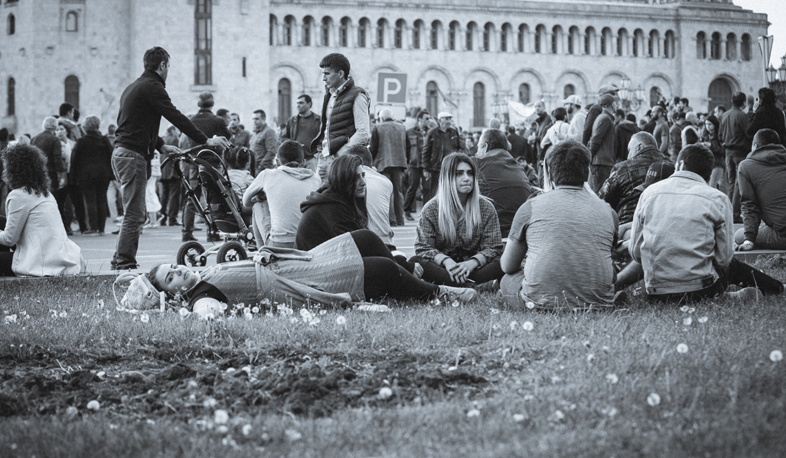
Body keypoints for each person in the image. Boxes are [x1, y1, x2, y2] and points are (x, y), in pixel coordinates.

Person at [146, 229, 477, 318]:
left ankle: (411, 274)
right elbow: (208, 314)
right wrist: (198, 316)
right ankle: (438, 293)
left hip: (300, 260)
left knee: (364, 238)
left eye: (172, 266)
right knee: (382, 269)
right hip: (301, 281)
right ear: (172, 294)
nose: (177, 269)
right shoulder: (201, 298)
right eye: (170, 277)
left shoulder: (206, 270)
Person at [111, 46, 229, 270]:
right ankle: (124, 263)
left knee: (132, 211)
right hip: (132, 155)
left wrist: (162, 145)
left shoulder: (133, 87)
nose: (168, 72)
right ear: (163, 65)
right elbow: (175, 116)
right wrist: (206, 140)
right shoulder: (153, 87)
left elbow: (135, 124)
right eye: (169, 67)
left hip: (122, 152)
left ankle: (119, 258)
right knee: (135, 214)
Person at [629, 144, 783, 303]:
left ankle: (727, 297)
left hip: (655, 294)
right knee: (734, 267)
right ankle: (775, 288)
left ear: (680, 164)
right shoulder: (718, 199)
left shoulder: (649, 194)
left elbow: (635, 252)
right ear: (710, 173)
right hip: (701, 289)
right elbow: (724, 259)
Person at [500, 140, 619, 310]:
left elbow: (507, 265)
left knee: (507, 281)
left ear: (550, 173)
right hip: (599, 302)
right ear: (586, 174)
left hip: (539, 303)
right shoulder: (608, 211)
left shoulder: (530, 206)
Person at [411, 153, 504, 287]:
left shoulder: (486, 207)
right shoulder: (431, 208)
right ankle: (475, 285)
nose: (466, 178)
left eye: (470, 173)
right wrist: (447, 261)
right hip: (444, 269)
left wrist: (472, 263)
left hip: (475, 268)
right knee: (416, 261)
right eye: (459, 174)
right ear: (447, 178)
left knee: (503, 260)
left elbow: (493, 247)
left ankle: (460, 285)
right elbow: (423, 248)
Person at [0, 144, 83, 276]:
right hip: (58, 256)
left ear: (13, 169)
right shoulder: (44, 193)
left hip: (39, 262)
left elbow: (9, 239)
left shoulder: (18, 196)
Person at [243, 140, 320, 248]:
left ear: (277, 162)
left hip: (279, 244)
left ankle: (262, 253)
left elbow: (246, 202)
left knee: (257, 204)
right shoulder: (316, 179)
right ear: (303, 162)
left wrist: (266, 197)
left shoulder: (267, 175)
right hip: (307, 244)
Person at [179, 92, 232, 242]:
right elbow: (227, 138)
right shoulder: (217, 120)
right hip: (211, 162)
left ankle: (186, 231)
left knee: (192, 197)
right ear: (212, 104)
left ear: (199, 104)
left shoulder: (192, 120)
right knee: (213, 198)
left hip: (194, 162)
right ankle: (213, 231)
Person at [312, 53, 371, 183]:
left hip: (340, 159)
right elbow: (327, 127)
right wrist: (319, 150)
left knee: (337, 199)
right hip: (325, 157)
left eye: (327, 74)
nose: (323, 78)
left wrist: (340, 155)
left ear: (340, 74)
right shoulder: (330, 95)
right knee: (319, 198)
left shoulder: (358, 95)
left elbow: (363, 133)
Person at [296, 154, 368, 251]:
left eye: (363, 175)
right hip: (313, 262)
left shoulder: (344, 200)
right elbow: (359, 247)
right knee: (385, 261)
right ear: (343, 179)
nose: (363, 182)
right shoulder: (332, 207)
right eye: (356, 178)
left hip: (330, 256)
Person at [598, 132, 669, 225]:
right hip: (661, 225)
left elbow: (602, 199)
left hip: (627, 226)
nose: (628, 156)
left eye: (629, 150)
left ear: (639, 147)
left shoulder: (622, 168)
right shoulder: (672, 166)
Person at [474, 128, 532, 238]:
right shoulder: (519, 168)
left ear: (484, 147)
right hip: (520, 234)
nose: (476, 153)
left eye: (478, 147)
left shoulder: (477, 163)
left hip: (492, 234)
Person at [735, 129, 786, 250]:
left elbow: (749, 204)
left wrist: (749, 239)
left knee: (738, 235)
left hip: (782, 235)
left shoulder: (746, 166)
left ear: (755, 146)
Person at [70, 115, 113, 236]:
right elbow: (111, 155)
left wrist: (72, 178)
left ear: (85, 128)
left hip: (87, 175)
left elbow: (75, 160)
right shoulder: (104, 140)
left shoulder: (82, 141)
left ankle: (93, 227)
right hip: (104, 174)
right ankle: (101, 228)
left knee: (91, 201)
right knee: (101, 199)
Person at [344, 145, 395, 246]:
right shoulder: (385, 181)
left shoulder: (347, 180)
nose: (363, 182)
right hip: (386, 242)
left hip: (362, 245)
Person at [370, 108, 407, 227]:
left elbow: (373, 148)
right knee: (398, 192)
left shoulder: (377, 127)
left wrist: (370, 163)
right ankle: (400, 219)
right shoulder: (402, 127)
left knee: (387, 192)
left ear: (381, 118)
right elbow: (408, 147)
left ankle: (391, 220)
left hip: (383, 163)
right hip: (399, 163)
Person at [719, 91, 750, 224]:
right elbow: (749, 133)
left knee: (731, 182)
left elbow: (720, 135)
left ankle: (729, 211)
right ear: (743, 102)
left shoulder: (725, 115)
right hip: (739, 152)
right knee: (738, 183)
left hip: (728, 152)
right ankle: (734, 213)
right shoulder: (742, 115)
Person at [421, 112, 464, 203]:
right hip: (436, 168)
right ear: (440, 120)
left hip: (451, 167)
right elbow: (426, 152)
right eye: (446, 119)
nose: (449, 121)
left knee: (450, 192)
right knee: (434, 192)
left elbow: (460, 148)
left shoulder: (454, 132)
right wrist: (426, 169)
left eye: (450, 119)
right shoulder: (432, 133)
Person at [55, 123, 88, 235]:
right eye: (57, 130)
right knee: (60, 202)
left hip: (73, 176)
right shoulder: (55, 145)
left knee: (78, 202)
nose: (59, 132)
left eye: (61, 129)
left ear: (66, 131)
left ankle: (83, 226)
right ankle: (65, 227)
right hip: (62, 177)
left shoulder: (73, 144)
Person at [30, 117, 65, 213]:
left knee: (38, 199)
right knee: (51, 199)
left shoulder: (34, 139)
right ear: (55, 127)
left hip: (36, 173)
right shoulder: (55, 140)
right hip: (51, 173)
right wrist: (61, 173)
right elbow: (57, 158)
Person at [281, 94, 321, 172]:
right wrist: (292, 145)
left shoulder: (318, 120)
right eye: (297, 103)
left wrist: (318, 154)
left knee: (312, 181)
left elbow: (323, 138)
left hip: (312, 159)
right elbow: (284, 137)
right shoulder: (292, 121)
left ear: (309, 104)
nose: (298, 105)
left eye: (301, 103)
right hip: (295, 160)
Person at [404, 110, 430, 221]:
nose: (429, 121)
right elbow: (405, 148)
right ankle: (406, 210)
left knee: (427, 189)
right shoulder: (409, 132)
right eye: (426, 118)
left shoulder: (431, 132)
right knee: (412, 187)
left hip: (426, 165)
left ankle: (426, 212)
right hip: (413, 164)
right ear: (419, 120)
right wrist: (406, 163)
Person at [587, 94, 616, 192]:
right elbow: (595, 140)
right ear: (608, 105)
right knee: (601, 193)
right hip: (602, 163)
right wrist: (590, 158)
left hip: (602, 163)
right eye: (614, 103)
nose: (617, 105)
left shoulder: (603, 118)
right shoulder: (605, 119)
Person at [158, 126, 182, 226]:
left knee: (164, 195)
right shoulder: (175, 140)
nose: (178, 132)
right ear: (172, 131)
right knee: (174, 195)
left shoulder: (163, 139)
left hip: (163, 170)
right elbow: (176, 155)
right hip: (173, 170)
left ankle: (162, 217)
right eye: (177, 130)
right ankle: (172, 218)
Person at [702, 114, 726, 194]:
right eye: (706, 124)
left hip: (718, 163)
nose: (707, 126)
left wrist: (711, 146)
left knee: (712, 185)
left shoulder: (720, 135)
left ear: (715, 125)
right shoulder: (705, 135)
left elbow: (722, 150)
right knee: (710, 186)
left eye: (709, 124)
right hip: (708, 163)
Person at [249, 109, 279, 173]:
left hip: (263, 169)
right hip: (253, 167)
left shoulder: (269, 132)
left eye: (257, 119)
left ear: (264, 118)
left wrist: (260, 167)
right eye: (253, 119)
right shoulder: (254, 133)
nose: (254, 121)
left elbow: (272, 151)